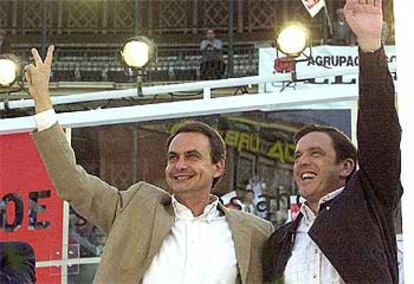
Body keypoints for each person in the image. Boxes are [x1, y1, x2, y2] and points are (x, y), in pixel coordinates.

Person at [24, 46, 273, 283]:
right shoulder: (135, 207)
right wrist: (43, 102)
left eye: (192, 156)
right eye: (173, 157)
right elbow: (73, 184)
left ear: (218, 167)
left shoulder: (254, 232)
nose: (180, 165)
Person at [263, 0, 402, 283]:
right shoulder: (280, 241)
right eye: (298, 155)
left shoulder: (370, 205)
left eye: (316, 153)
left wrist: (370, 45)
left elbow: (379, 129)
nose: (303, 161)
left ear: (346, 166)